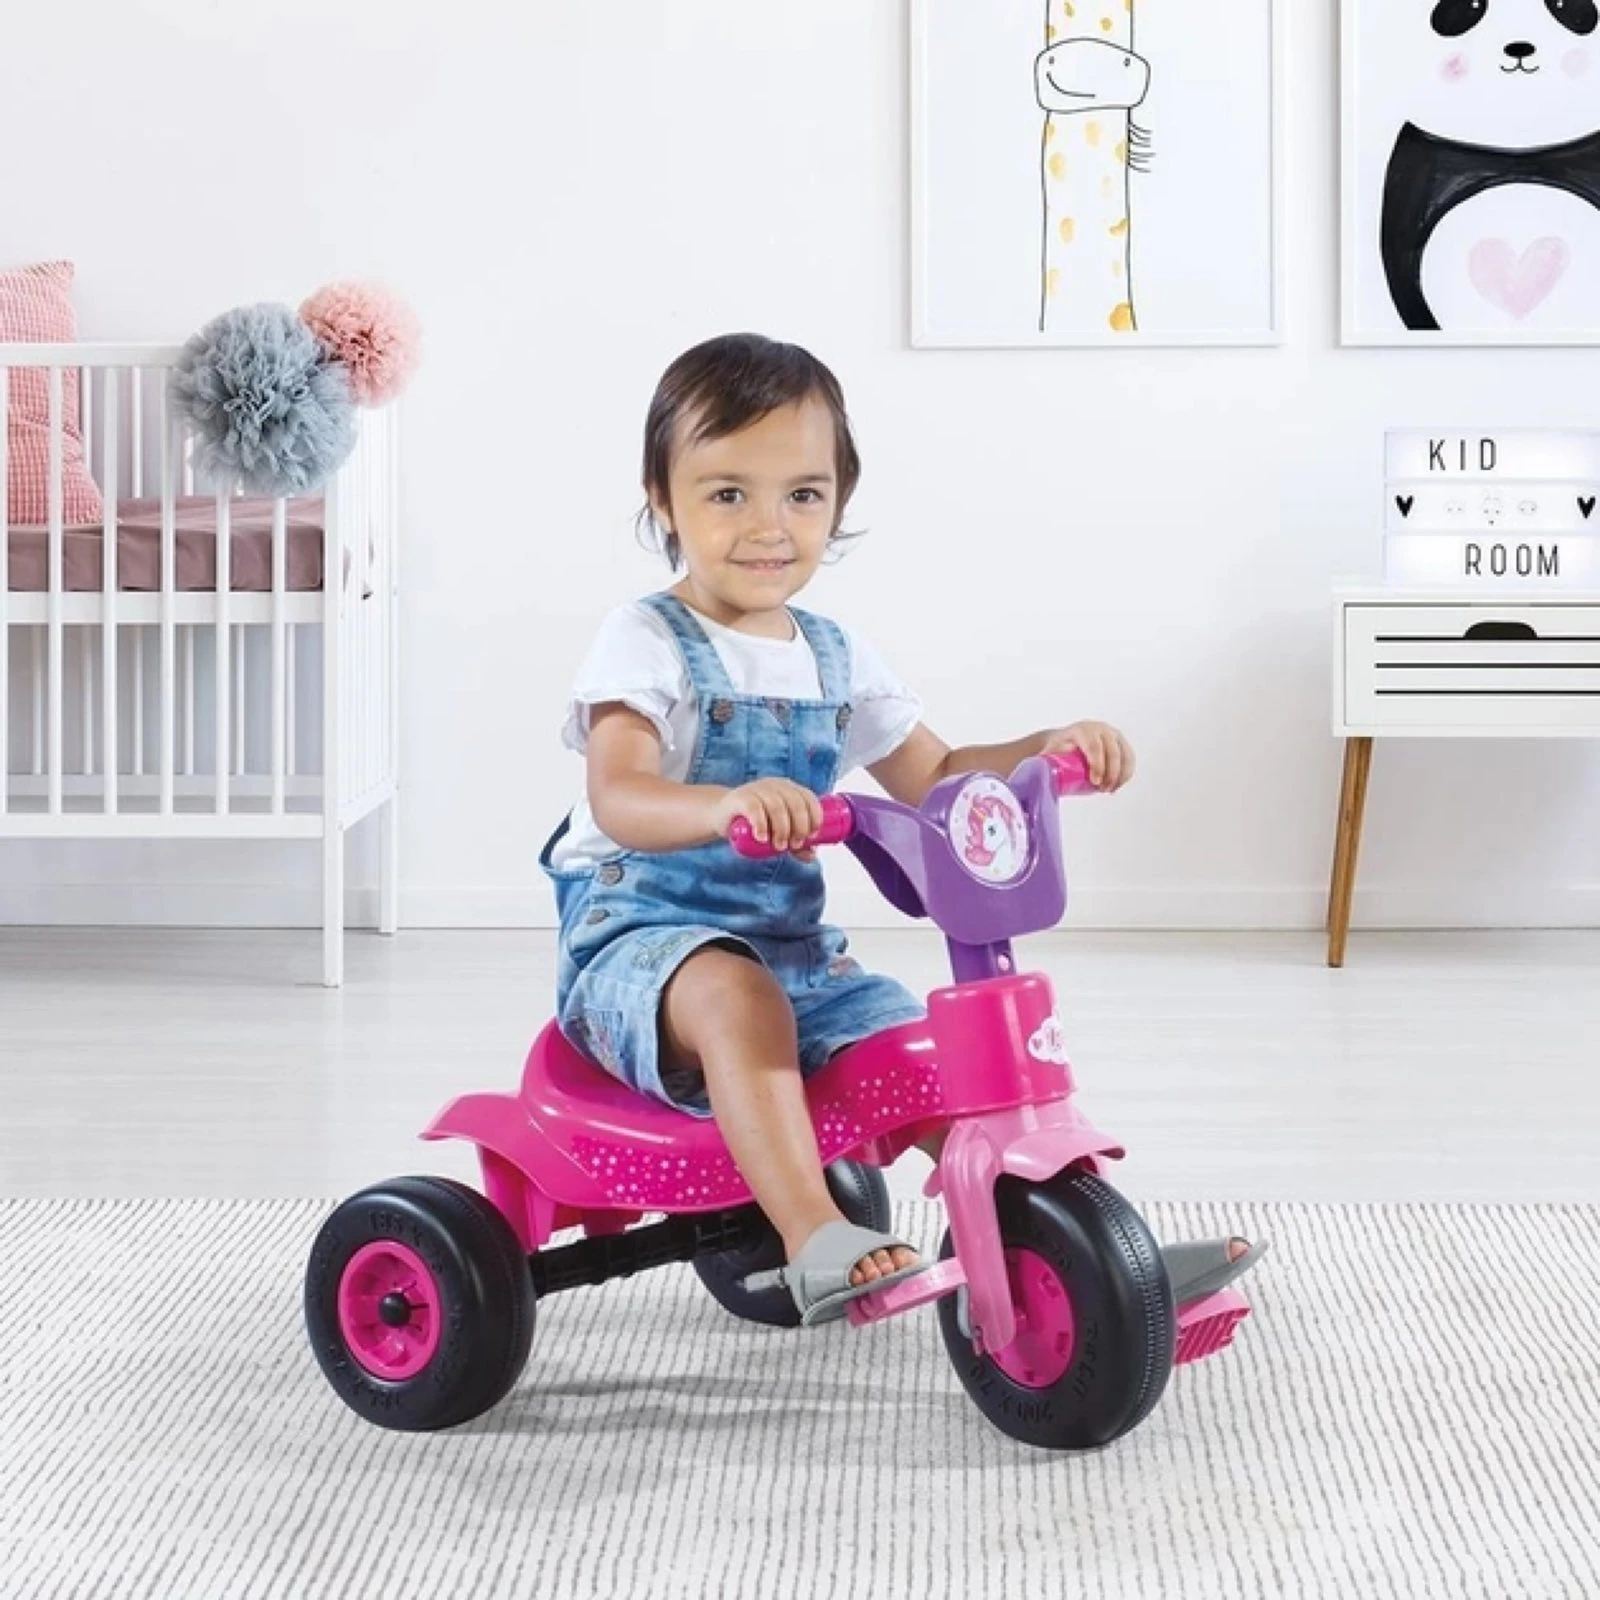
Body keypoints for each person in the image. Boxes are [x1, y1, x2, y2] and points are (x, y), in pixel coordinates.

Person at [541, 332, 1263, 1325]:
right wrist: (722, 805)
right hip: (642, 950)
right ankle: (812, 1236)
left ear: (839, 500)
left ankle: (1086, 1245)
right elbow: (619, 792)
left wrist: (1042, 749)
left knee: (920, 1053)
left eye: (802, 494)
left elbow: (935, 774)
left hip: (793, 957)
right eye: (727, 494)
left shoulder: (835, 656)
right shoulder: (646, 641)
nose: (768, 526)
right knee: (735, 994)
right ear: (661, 499)